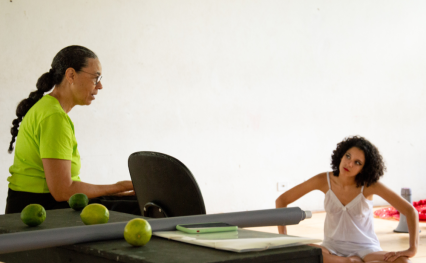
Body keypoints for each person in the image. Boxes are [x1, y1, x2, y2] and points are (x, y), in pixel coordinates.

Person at [6, 45, 140, 215]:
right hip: (41, 210)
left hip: (42, 204)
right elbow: (63, 191)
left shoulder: (49, 109)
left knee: (138, 202)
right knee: (143, 208)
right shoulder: (53, 117)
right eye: (96, 78)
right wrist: (117, 187)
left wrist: (115, 191)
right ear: (71, 75)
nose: (100, 86)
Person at [275, 136, 419, 263]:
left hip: (366, 250)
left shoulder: (370, 186)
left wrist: (412, 249)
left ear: (364, 168)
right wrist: (284, 240)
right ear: (341, 155)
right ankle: (346, 261)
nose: (349, 163)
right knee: (299, 252)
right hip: (330, 249)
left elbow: (410, 211)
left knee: (404, 262)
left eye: (357, 162)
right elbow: (281, 200)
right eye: (348, 156)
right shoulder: (323, 180)